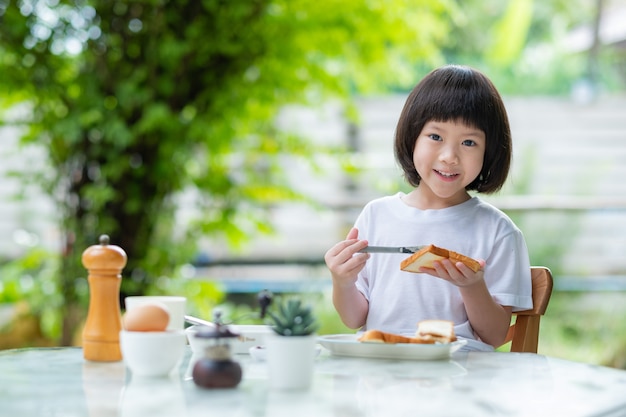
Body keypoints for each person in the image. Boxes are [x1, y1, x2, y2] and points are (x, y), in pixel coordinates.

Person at [324, 65, 533, 351]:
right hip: (382, 371)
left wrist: (472, 286)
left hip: (460, 376)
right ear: (412, 137)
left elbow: (495, 336)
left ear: (490, 152)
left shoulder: (498, 231)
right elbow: (354, 318)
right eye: (435, 137)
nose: (449, 157)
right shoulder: (377, 215)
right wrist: (342, 281)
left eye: (469, 142)